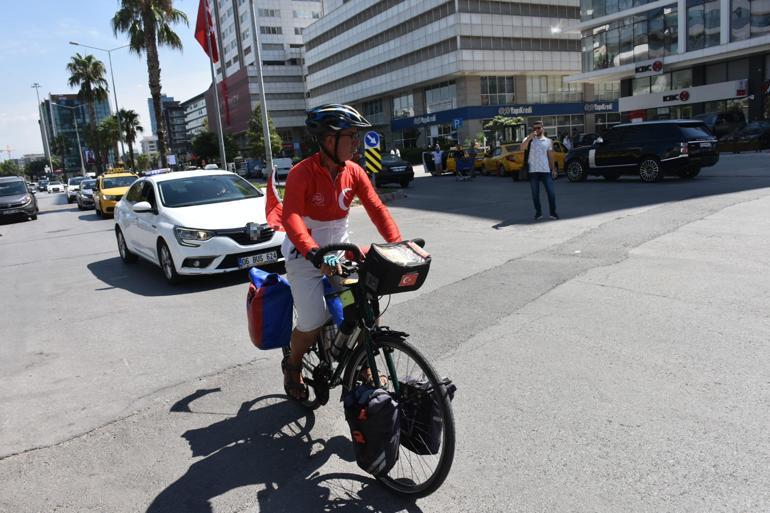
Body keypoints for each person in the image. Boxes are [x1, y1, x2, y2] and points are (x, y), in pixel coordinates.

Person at [280, 104, 402, 400]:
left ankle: (362, 360)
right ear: (329, 139)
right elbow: (291, 217)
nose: (357, 143)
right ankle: (293, 365)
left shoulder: (354, 171)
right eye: (351, 136)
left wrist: (397, 244)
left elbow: (376, 208)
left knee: (363, 305)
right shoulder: (302, 173)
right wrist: (313, 253)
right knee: (312, 319)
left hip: (340, 257)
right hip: (305, 256)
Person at [522, 120, 559, 220]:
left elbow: (551, 156)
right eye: (534, 128)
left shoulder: (548, 141)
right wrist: (530, 137)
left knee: (551, 193)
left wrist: (553, 169)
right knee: (535, 194)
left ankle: (553, 212)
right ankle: (538, 212)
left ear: (543, 128)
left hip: (545, 171)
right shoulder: (528, 139)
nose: (536, 130)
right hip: (533, 171)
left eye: (538, 128)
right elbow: (522, 147)